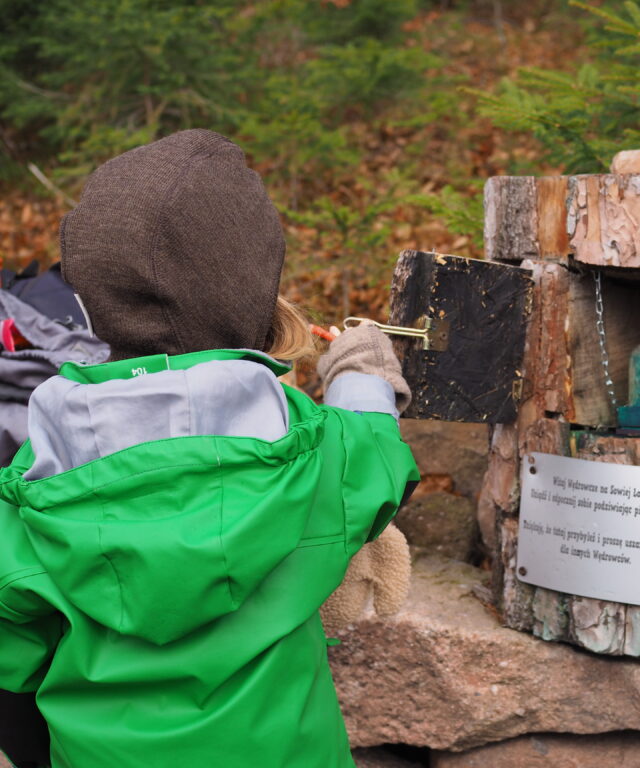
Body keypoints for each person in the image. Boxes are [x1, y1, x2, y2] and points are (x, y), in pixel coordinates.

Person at [0, 129, 419, 768]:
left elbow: (13, 665)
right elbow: (378, 449)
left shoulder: (30, 496)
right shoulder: (319, 458)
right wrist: (362, 368)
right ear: (251, 289)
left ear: (92, 289)